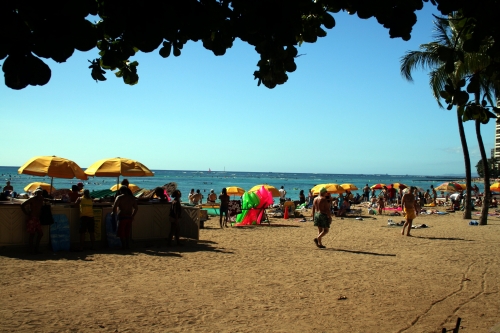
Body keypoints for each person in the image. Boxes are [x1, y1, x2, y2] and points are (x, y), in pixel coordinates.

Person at [112, 185, 139, 250]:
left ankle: (123, 246)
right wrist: (133, 216)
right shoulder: (131, 198)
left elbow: (115, 206)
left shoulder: (119, 197)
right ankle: (127, 245)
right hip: (129, 216)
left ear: (121, 191)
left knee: (121, 232)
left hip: (122, 216)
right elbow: (136, 208)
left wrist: (114, 213)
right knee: (127, 232)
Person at [20, 188, 44, 254]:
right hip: (32, 218)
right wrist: (27, 213)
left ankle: (36, 249)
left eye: (40, 193)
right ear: (35, 193)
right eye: (38, 193)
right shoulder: (32, 199)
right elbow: (22, 205)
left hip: (37, 218)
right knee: (32, 234)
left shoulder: (41, 199)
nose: (39, 194)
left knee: (40, 234)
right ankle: (31, 249)